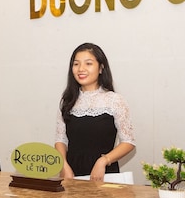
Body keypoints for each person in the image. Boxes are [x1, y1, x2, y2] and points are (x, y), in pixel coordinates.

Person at [55, 42, 136, 180]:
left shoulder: (114, 100)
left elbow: (129, 142)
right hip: (71, 175)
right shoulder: (67, 101)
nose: (81, 69)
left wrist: (104, 161)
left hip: (104, 174)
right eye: (76, 64)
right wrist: (63, 165)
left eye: (88, 63)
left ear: (101, 68)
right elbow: (61, 140)